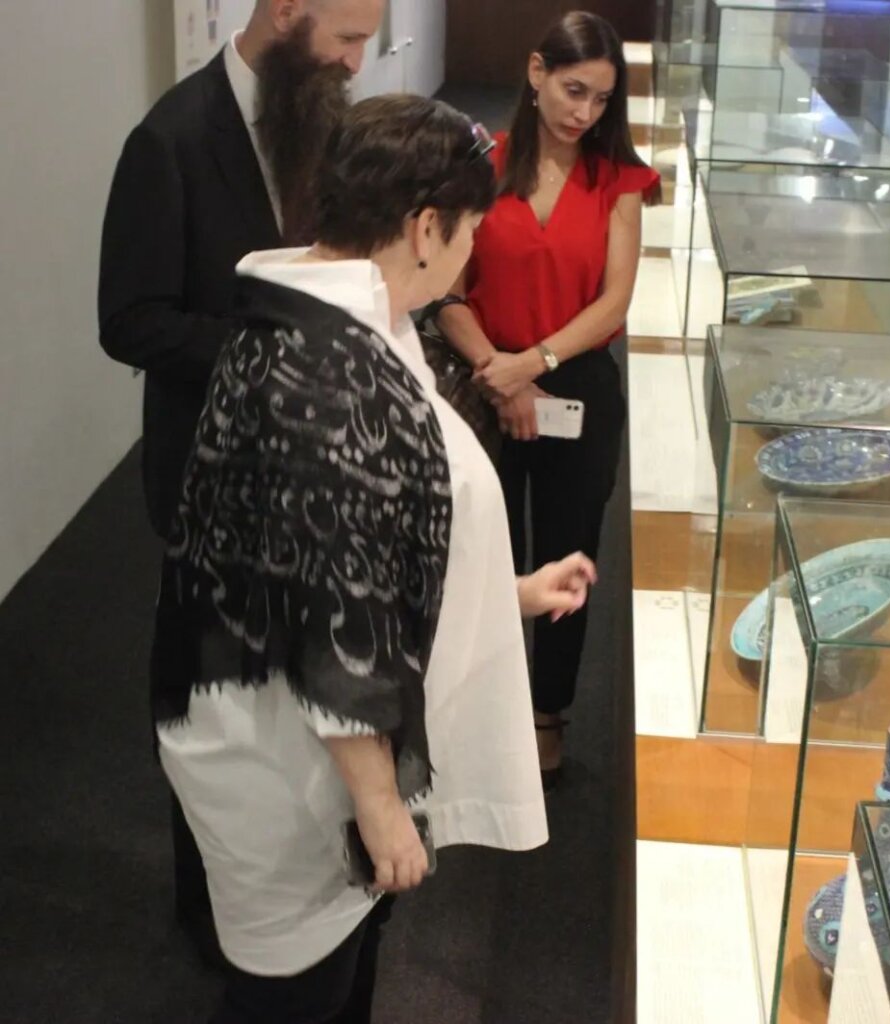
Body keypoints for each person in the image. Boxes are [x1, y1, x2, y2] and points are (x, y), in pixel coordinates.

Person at [151, 94, 598, 1024]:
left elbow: (373, 537)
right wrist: (382, 806)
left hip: (304, 741)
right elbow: (331, 619)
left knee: (344, 971)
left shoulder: (335, 315)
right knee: (298, 996)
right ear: (426, 228)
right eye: (471, 230)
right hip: (291, 769)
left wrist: (507, 592)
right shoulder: (324, 374)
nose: (472, 251)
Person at [97, 0, 384, 963]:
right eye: (348, 38)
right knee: (208, 702)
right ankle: (208, 901)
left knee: (296, 697)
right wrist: (271, 352)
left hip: (313, 467)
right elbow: (129, 320)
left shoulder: (326, 118)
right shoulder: (170, 139)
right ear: (289, 10)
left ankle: (297, 880)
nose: (358, 62)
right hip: (209, 477)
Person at [438, 11, 660, 787]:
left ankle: (546, 714)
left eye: (601, 99)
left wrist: (532, 364)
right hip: (485, 382)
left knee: (568, 557)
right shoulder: (481, 167)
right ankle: (478, 708)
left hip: (576, 384)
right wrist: (497, 370)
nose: (585, 113)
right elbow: (448, 293)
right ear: (536, 73)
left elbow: (615, 301)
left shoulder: (619, 179)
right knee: (480, 554)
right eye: (573, 90)